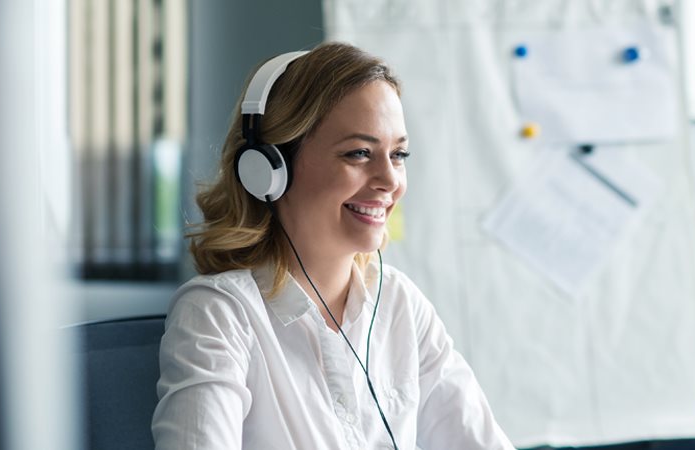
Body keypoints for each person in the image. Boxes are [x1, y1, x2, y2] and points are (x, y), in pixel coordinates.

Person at [151, 42, 513, 450]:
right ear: (270, 169)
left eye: (398, 154)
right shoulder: (220, 313)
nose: (390, 180)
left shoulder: (398, 305)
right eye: (359, 153)